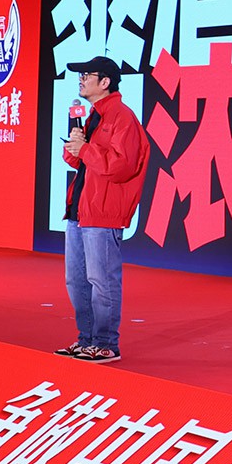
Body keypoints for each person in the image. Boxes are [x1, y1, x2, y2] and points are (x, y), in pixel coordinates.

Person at [55, 56, 146, 363]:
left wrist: (85, 149)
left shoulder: (122, 117)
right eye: (80, 75)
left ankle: (106, 343)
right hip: (80, 209)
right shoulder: (94, 116)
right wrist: (76, 147)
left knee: (102, 281)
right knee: (77, 281)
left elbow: (122, 166)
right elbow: (83, 162)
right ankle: (86, 339)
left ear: (105, 82)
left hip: (103, 211)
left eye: (86, 75)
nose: (81, 80)